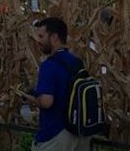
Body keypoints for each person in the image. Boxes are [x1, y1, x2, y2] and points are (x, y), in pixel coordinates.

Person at [20, 17, 90, 151]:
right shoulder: (77, 62)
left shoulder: (49, 65)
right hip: (79, 133)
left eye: (41, 36)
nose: (38, 41)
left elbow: (46, 101)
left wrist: (34, 98)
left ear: (54, 37)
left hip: (56, 135)